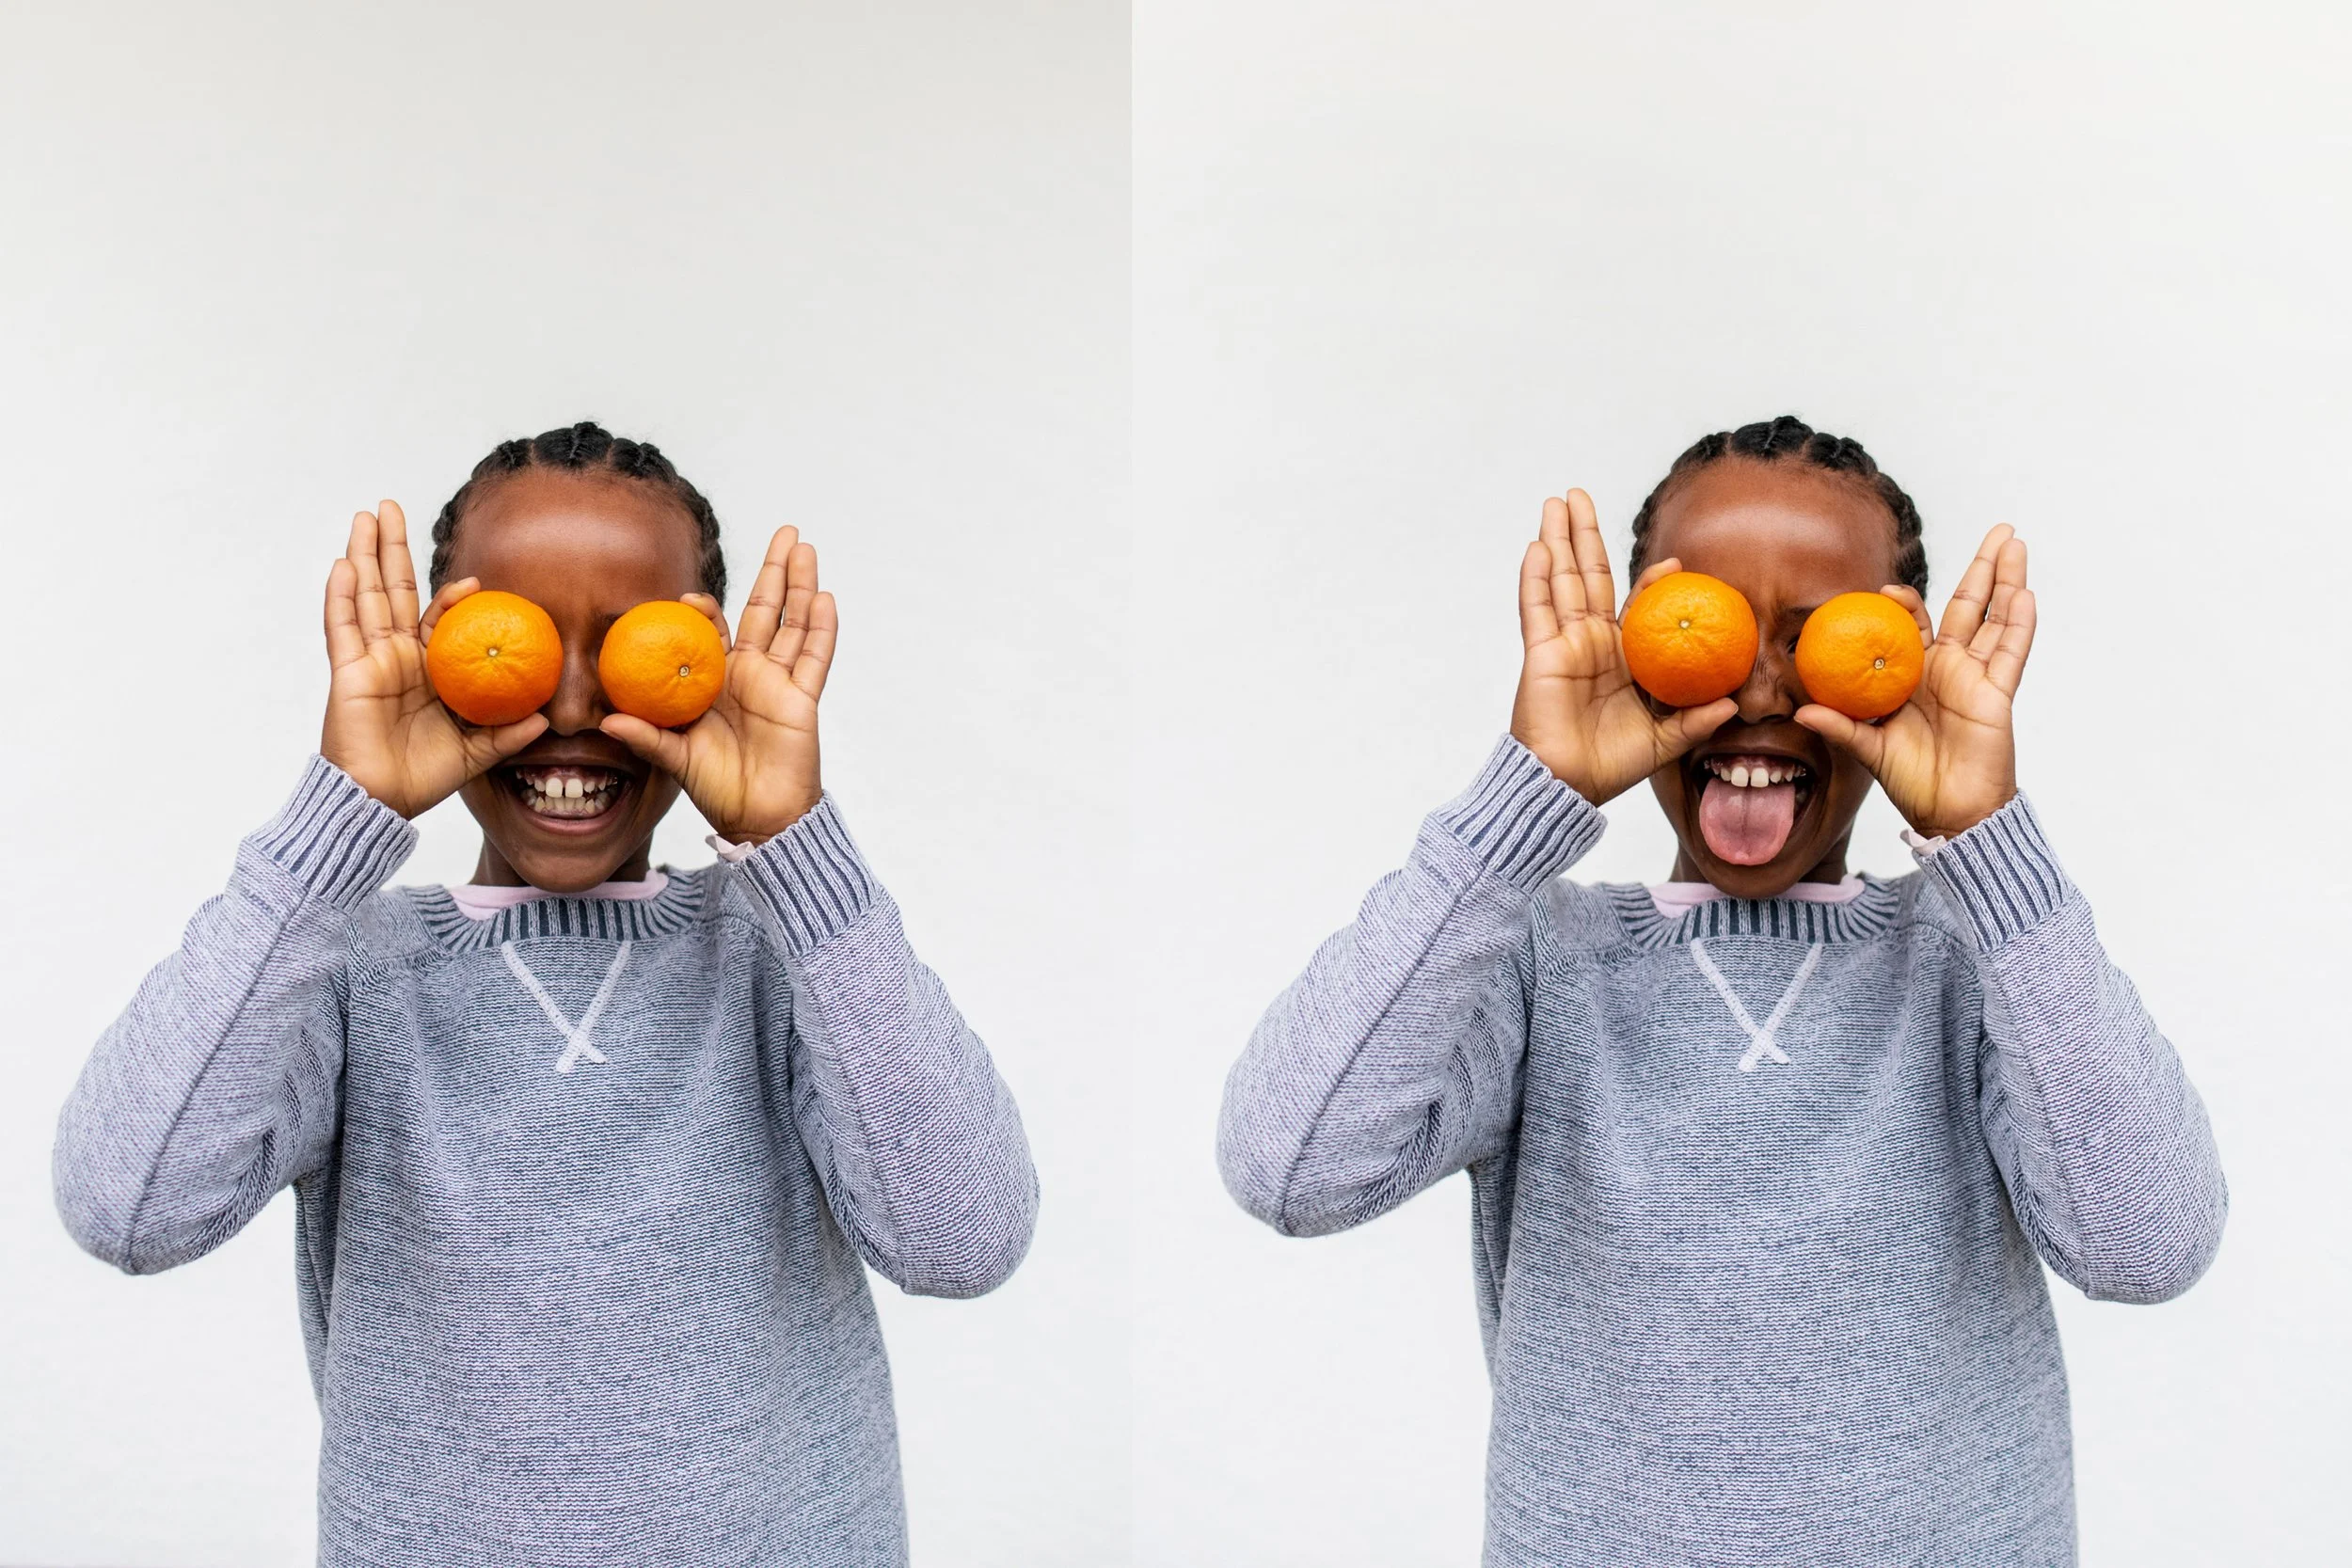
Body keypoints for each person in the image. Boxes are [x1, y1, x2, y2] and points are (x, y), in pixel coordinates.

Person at [1216, 415, 2225, 1566]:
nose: (1755, 692)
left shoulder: (1975, 957)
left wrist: (1988, 845)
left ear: (1900, 665)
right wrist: (1513, 812)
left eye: (1817, 638)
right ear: (1633, 638)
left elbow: (2148, 1245)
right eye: (1713, 628)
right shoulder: (1541, 956)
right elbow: (1288, 1166)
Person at [53, 422, 1038, 1567]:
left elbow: (963, 1239)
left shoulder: (787, 956)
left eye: (632, 644)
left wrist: (796, 848)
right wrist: (334, 825)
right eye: (512, 634)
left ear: (709, 666)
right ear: (432, 654)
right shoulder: (350, 970)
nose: (570, 705)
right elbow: (125, 1205)